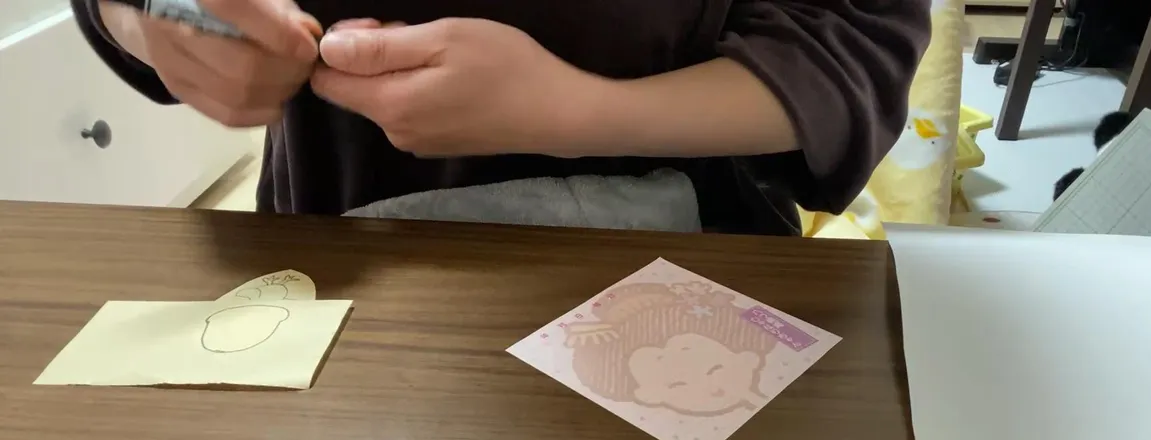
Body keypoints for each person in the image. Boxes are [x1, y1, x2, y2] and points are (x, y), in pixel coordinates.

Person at [74, 0, 931, 235]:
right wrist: (156, 16)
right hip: (334, 267)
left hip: (690, 274)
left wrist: (576, 112)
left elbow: (854, 39)